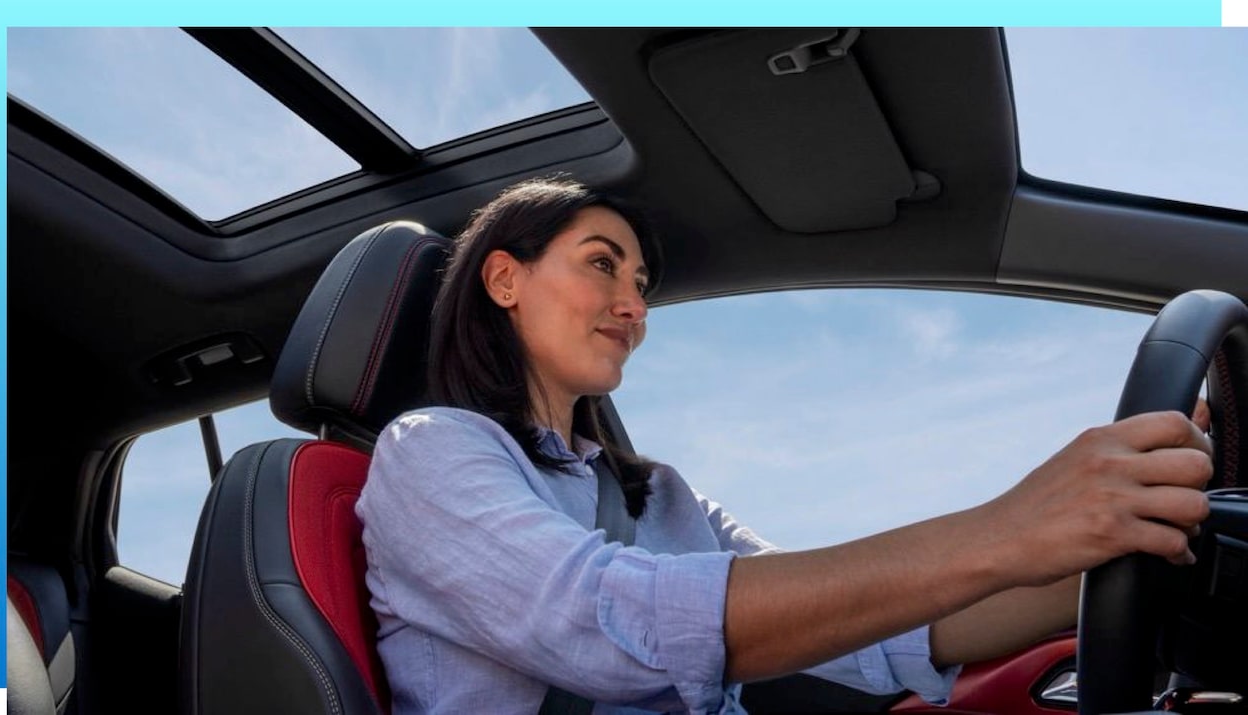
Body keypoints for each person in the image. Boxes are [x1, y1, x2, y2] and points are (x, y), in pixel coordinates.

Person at [356, 177, 1213, 714]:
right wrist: (1010, 526)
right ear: (504, 278)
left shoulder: (664, 498)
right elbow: (605, 623)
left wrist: (1127, 535)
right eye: (601, 263)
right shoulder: (430, 451)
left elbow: (869, 635)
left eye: (641, 284)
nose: (633, 304)